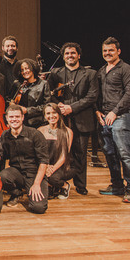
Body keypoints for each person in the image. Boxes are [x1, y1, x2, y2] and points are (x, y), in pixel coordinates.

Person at [47, 42, 98, 195]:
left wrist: (71, 108)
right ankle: (59, 182)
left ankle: (80, 185)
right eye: (67, 53)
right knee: (59, 152)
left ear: (79, 55)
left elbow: (92, 96)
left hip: (81, 119)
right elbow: (48, 94)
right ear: (63, 57)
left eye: (73, 53)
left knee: (80, 153)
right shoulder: (55, 73)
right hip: (61, 119)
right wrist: (59, 106)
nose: (70, 55)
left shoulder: (90, 74)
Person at [96, 37, 130, 202]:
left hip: (120, 116)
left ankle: (129, 189)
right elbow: (97, 94)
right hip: (104, 118)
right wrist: (97, 111)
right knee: (109, 153)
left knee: (124, 154)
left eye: (111, 50)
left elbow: (129, 93)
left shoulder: (125, 69)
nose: (107, 53)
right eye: (105, 51)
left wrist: (115, 112)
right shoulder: (102, 70)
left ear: (118, 51)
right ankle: (117, 185)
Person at [0, 104, 49, 214]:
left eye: (17, 117)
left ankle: (31, 189)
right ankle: (17, 193)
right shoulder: (5, 135)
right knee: (2, 176)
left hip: (34, 174)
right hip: (17, 173)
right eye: (11, 117)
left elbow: (43, 161)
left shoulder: (35, 134)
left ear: (22, 118)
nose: (14, 119)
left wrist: (36, 184)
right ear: (7, 118)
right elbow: (2, 157)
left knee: (39, 208)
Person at [38, 103, 74, 199]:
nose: (51, 116)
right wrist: (45, 168)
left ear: (59, 114)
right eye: (48, 113)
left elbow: (64, 156)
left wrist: (51, 170)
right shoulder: (40, 130)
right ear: (45, 116)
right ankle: (50, 186)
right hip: (46, 164)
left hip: (62, 166)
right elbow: (38, 153)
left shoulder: (67, 132)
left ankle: (64, 186)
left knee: (53, 178)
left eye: (54, 113)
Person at [11, 58, 51, 128]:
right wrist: (11, 103)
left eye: (26, 68)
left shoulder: (43, 84)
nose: (24, 71)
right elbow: (9, 98)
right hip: (20, 123)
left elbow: (46, 106)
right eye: (22, 70)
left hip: (38, 122)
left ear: (32, 68)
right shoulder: (17, 84)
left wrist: (27, 110)